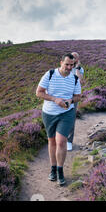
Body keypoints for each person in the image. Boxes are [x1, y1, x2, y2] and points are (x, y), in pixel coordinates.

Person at [36, 53, 82, 186]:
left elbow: (78, 96)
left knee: (61, 141)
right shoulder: (49, 74)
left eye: (71, 65)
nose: (69, 67)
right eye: (66, 64)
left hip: (66, 114)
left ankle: (60, 171)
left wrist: (70, 100)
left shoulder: (74, 79)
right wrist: (55, 99)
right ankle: (53, 169)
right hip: (49, 113)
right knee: (52, 141)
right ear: (61, 62)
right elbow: (39, 92)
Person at [67, 52, 84, 151]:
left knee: (71, 117)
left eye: (75, 57)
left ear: (77, 60)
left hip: (74, 96)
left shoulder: (80, 69)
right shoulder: (66, 67)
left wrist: (77, 69)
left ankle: (69, 141)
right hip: (63, 95)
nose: (73, 58)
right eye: (72, 57)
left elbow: (80, 81)